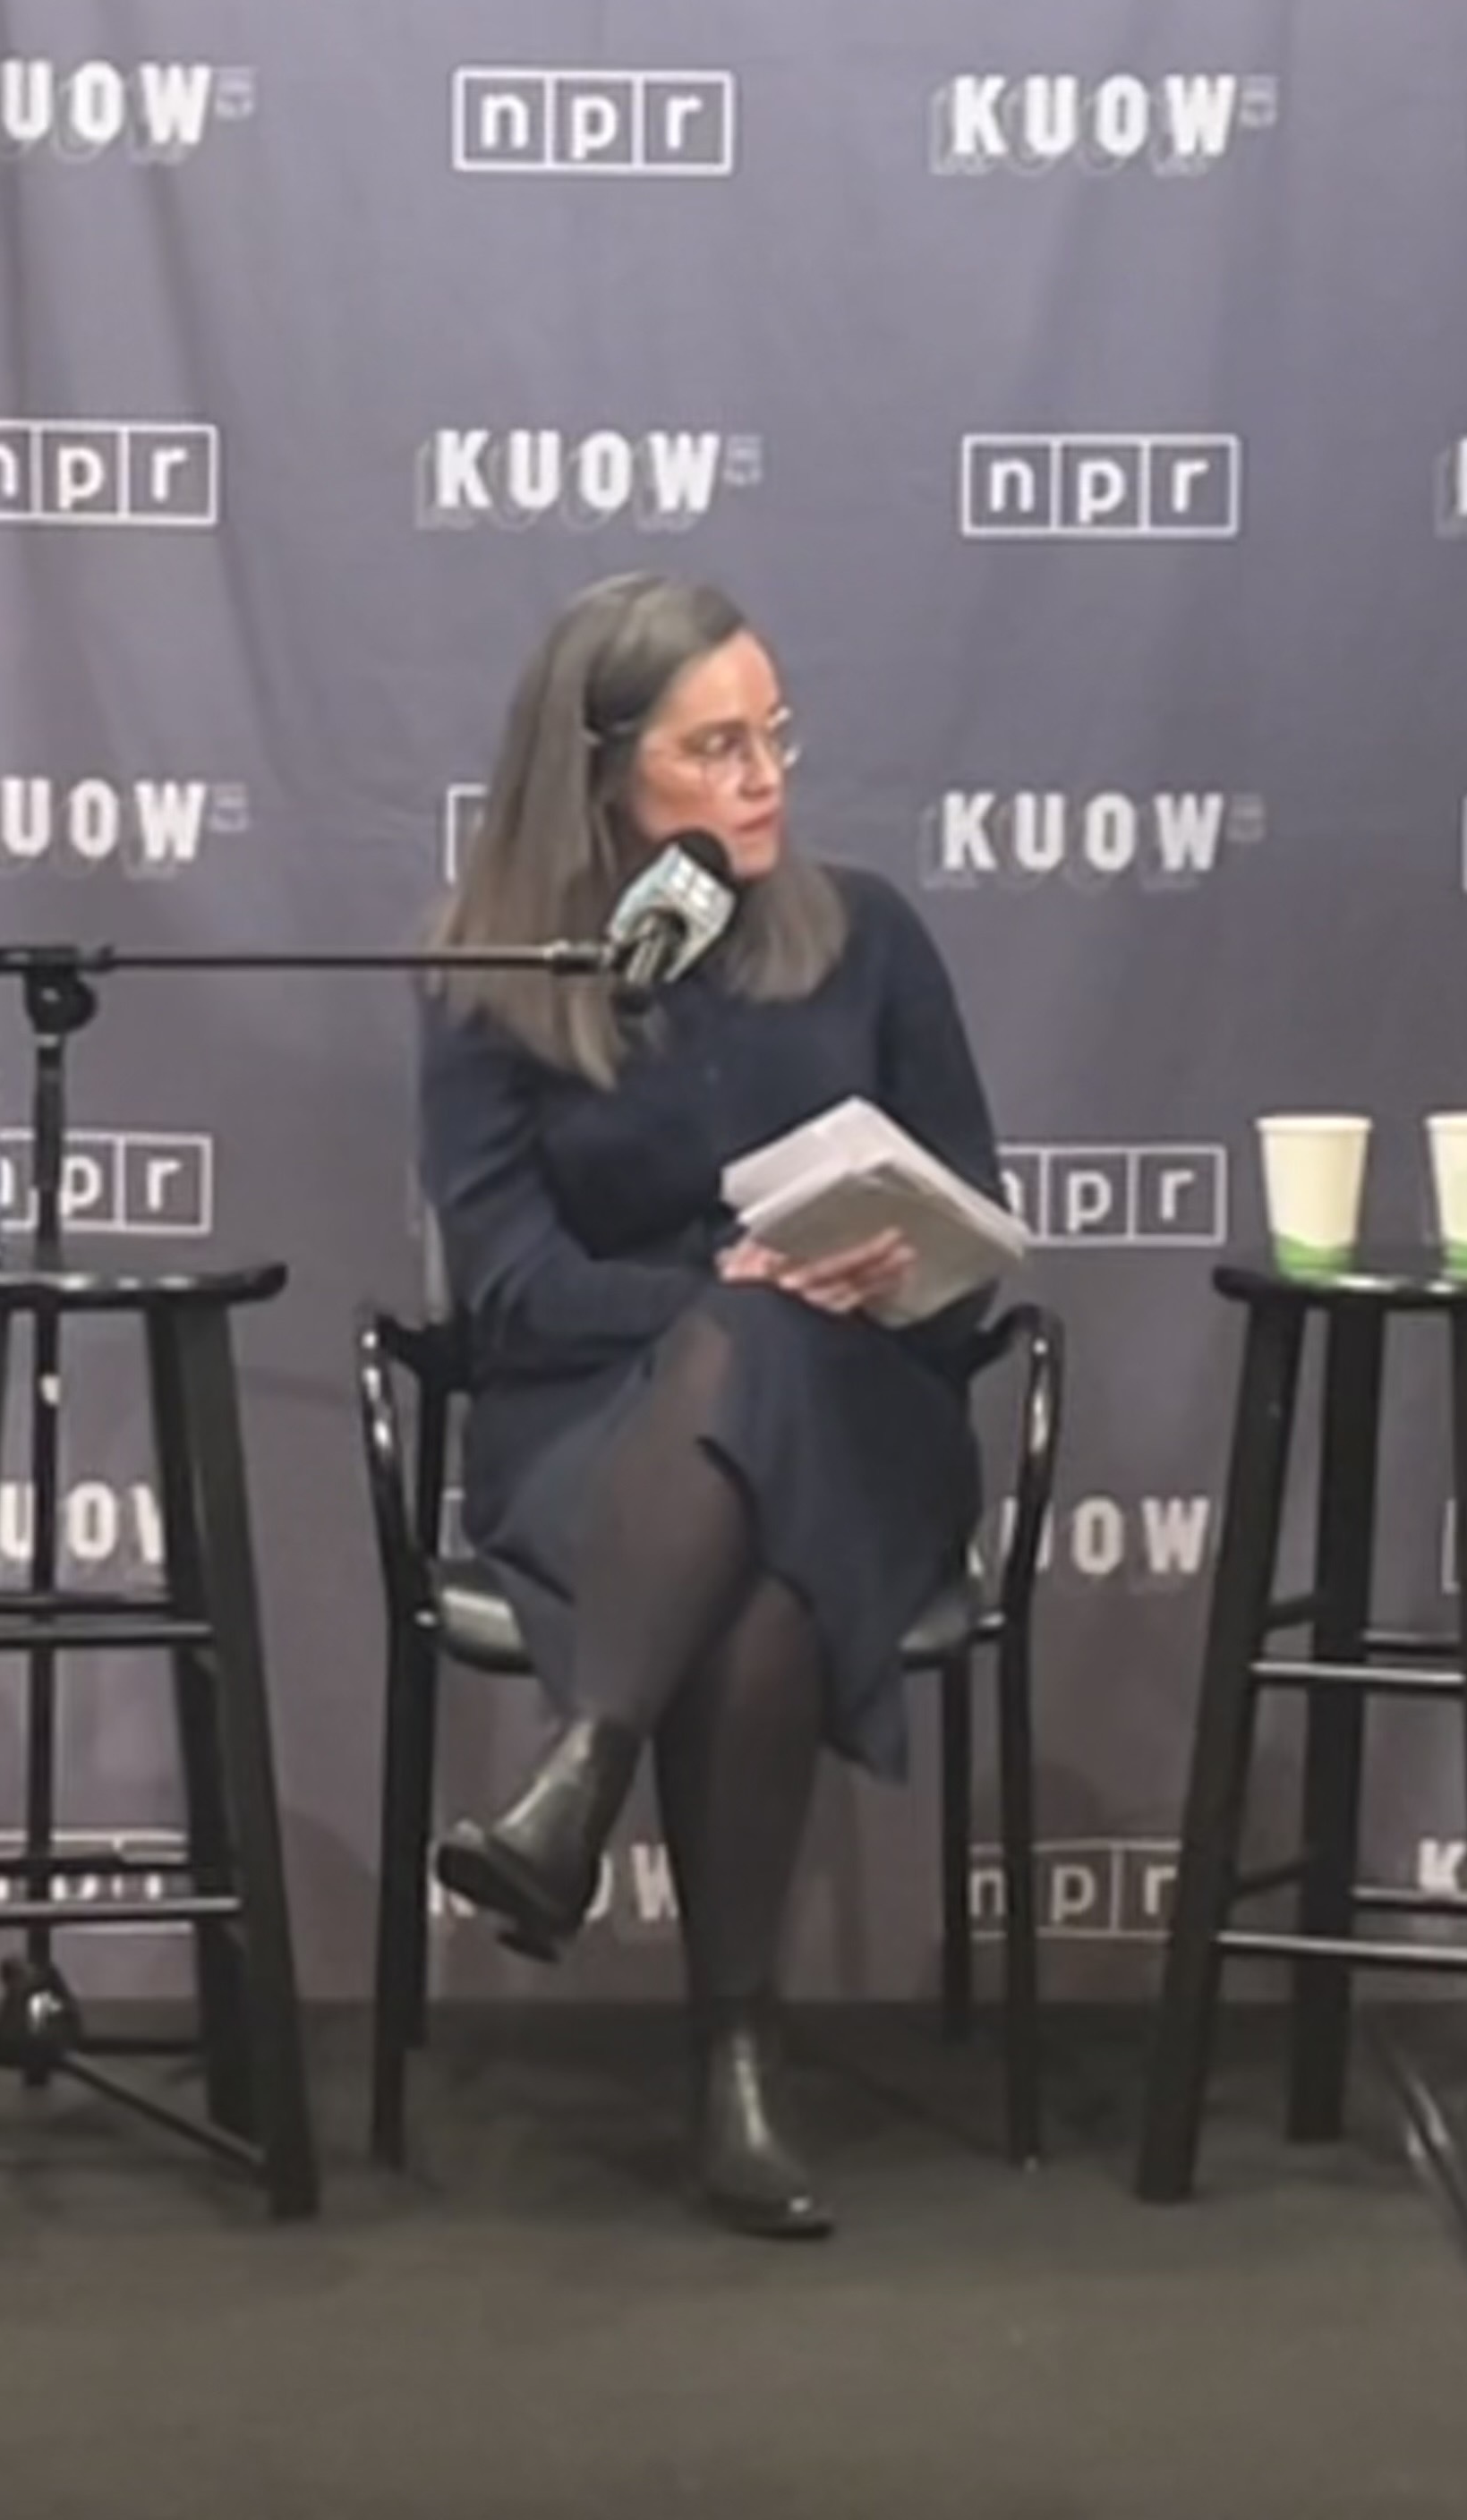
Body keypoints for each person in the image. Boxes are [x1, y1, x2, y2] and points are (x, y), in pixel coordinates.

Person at [416, 572, 1003, 2240]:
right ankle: (736, 2060)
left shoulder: (869, 933)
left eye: (775, 737)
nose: (765, 778)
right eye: (717, 746)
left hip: (868, 1408)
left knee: (771, 1372)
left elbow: (976, 1218)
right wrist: (716, 1297)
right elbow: (512, 1292)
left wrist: (879, 1271)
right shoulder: (493, 972)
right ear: (607, 775)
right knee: (751, 1574)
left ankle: (578, 1781)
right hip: (596, 1435)